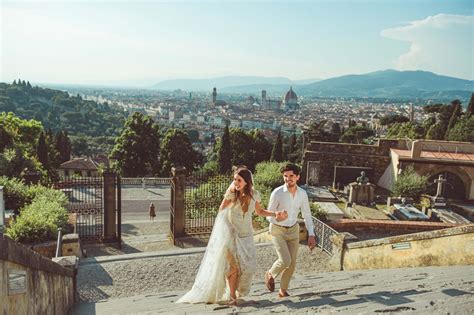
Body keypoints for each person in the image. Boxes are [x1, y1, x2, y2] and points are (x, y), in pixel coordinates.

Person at [177, 167, 288, 305]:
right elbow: (221, 209)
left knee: (248, 266)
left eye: (239, 180)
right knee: (233, 267)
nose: (236, 182)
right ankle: (232, 297)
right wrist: (230, 201)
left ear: (247, 182)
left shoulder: (255, 195)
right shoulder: (232, 194)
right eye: (235, 179)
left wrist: (275, 214)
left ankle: (236, 292)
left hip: (246, 235)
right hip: (231, 235)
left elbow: (259, 211)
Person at [265, 163, 316, 298]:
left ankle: (283, 291)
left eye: (291, 176)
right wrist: (278, 217)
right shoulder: (277, 193)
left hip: (293, 230)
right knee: (285, 260)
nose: (288, 179)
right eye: (285, 176)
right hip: (277, 230)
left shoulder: (303, 194)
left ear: (297, 177)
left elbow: (307, 215)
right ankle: (270, 273)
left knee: (292, 264)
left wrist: (311, 234)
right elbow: (268, 215)